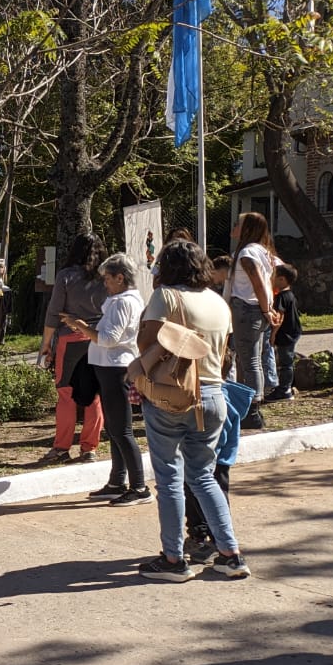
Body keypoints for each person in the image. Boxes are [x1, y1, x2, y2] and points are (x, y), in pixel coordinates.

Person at [136, 240, 251, 582]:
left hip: (173, 394)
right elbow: (224, 351)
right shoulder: (218, 301)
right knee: (203, 475)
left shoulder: (166, 296)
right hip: (214, 394)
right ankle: (230, 554)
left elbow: (147, 343)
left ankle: (173, 559)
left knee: (170, 477)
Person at [60, 254, 148, 506]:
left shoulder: (122, 302)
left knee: (122, 430)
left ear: (120, 278)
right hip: (108, 366)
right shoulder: (120, 300)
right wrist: (84, 327)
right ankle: (117, 481)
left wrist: (81, 326)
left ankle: (140, 487)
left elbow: (109, 338)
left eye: (108, 278)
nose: (105, 284)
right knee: (114, 429)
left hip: (116, 367)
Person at [38, 233, 107, 464]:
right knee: (94, 395)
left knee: (66, 394)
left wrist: (46, 344)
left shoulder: (66, 275)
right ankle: (89, 448)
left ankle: (61, 448)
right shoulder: (106, 276)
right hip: (98, 339)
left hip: (70, 339)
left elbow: (54, 312)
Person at [226, 212, 280, 411]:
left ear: (247, 229)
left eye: (238, 224)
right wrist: (268, 308)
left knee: (249, 361)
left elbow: (258, 283)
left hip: (247, 310)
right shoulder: (263, 251)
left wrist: (266, 310)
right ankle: (255, 402)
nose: (234, 226)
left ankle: (253, 407)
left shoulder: (246, 253)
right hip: (256, 309)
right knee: (254, 360)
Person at [266, 264, 302, 401]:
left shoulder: (281, 297)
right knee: (288, 360)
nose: (271, 279)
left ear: (282, 279)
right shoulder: (290, 295)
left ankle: (284, 390)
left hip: (285, 333)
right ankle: (288, 386)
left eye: (273, 276)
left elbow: (279, 318)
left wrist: (273, 334)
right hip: (293, 331)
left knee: (285, 362)